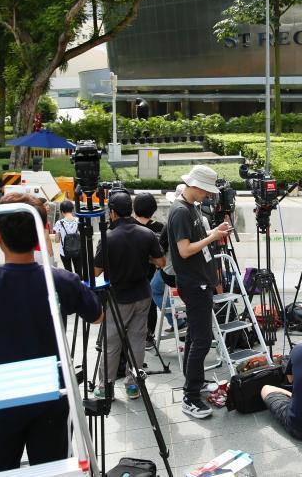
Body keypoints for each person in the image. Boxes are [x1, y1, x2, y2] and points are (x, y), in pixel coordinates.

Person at [0, 193, 103, 472]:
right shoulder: (61, 280)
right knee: (50, 469)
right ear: (42, 233)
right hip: (49, 393)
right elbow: (97, 317)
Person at [167, 165, 230, 419]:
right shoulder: (181, 211)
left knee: (195, 336)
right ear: (197, 186)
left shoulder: (189, 207)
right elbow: (184, 250)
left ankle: (194, 382)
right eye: (207, 191)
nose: (208, 195)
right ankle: (190, 397)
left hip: (199, 280)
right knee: (202, 340)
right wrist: (213, 236)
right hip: (193, 283)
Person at [92, 192, 165, 400]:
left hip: (119, 298)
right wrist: (144, 258)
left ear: (112, 213)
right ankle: (133, 385)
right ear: (130, 210)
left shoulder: (108, 239)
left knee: (112, 343)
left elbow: (95, 272)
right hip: (143, 295)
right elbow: (161, 263)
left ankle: (106, 388)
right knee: (137, 341)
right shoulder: (146, 233)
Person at [151, 185, 185, 333]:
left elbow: (161, 249)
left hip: (172, 271)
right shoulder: (201, 217)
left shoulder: (171, 221)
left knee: (155, 289)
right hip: (193, 270)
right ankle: (184, 319)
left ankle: (177, 321)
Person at [133, 192, 165, 347]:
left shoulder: (128, 226)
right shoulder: (159, 228)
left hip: (132, 273)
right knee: (150, 302)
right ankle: (149, 335)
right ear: (153, 209)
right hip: (153, 272)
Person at [52, 200, 80, 274]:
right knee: (79, 271)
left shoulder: (59, 223)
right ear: (72, 209)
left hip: (64, 252)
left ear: (62, 211)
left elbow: (57, 240)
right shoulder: (79, 220)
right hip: (78, 250)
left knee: (68, 272)